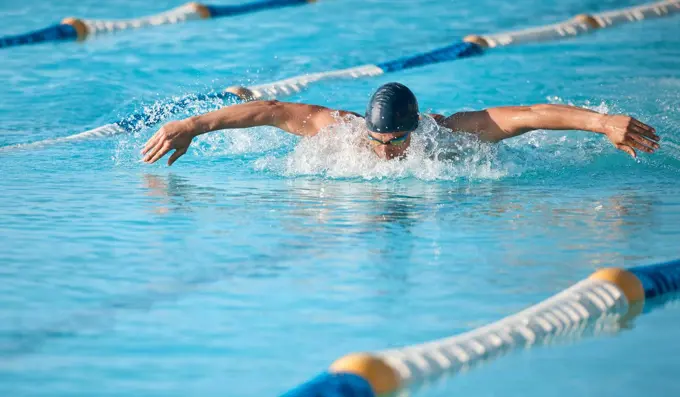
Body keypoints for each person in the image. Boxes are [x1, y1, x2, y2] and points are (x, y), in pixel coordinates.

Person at [142, 82, 659, 166]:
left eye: (398, 141)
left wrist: (601, 123)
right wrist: (193, 124)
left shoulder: (450, 132)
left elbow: (527, 115)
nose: (387, 152)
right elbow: (271, 111)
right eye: (379, 140)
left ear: (416, 127)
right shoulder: (340, 130)